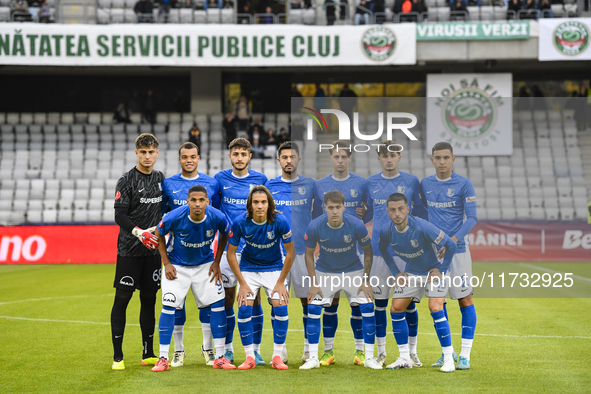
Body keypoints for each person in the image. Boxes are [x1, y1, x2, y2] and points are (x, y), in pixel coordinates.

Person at [151, 186, 236, 372]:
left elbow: (225, 234)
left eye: (201, 200)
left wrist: (217, 260)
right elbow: (158, 234)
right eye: (194, 200)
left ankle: (219, 356)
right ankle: (164, 357)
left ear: (208, 201)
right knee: (169, 307)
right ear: (187, 201)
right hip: (177, 267)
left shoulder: (217, 216)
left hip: (205, 266)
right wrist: (166, 263)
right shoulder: (173, 216)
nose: (197, 204)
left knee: (218, 306)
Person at [301, 190, 381, 370]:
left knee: (367, 307)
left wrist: (365, 280)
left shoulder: (356, 224)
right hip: (325, 271)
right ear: (324, 208)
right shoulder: (315, 226)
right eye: (330, 208)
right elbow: (308, 254)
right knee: (313, 307)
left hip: (353, 271)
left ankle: (368, 357)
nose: (334, 211)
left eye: (338, 207)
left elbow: (368, 251)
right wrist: (314, 283)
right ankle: (313, 357)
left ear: (344, 207)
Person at [378, 193, 458, 372]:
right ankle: (404, 357)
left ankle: (448, 359)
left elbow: (451, 246)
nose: (397, 213)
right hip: (412, 272)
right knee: (396, 308)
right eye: (393, 210)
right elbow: (383, 249)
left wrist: (441, 270)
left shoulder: (422, 226)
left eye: (400, 209)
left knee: (436, 308)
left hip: (433, 271)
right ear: (388, 212)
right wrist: (396, 272)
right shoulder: (386, 230)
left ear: (408, 209)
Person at [366, 140, 427, 367]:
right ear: (379, 157)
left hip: (407, 253)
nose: (389, 159)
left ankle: (411, 352)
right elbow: (367, 213)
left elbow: (420, 212)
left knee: (407, 304)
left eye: (393, 155)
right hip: (380, 253)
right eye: (384, 155)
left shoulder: (412, 181)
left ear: (399, 157)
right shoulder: (370, 182)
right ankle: (381, 353)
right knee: (379, 304)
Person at [161, 142, 221, 367]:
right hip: (178, 256)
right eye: (184, 156)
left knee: (207, 306)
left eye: (193, 156)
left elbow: (216, 215)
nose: (189, 160)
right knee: (176, 306)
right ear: (179, 159)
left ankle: (208, 349)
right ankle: (178, 351)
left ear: (199, 158)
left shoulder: (211, 183)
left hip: (204, 256)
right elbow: (163, 218)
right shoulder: (168, 184)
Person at [312, 140, 372, 366]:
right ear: (330, 158)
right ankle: (328, 352)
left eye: (343, 157)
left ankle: (361, 352)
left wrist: (363, 215)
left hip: (355, 254)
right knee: (331, 303)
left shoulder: (362, 183)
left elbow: (367, 214)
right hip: (329, 256)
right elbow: (316, 217)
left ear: (349, 158)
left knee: (357, 303)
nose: (340, 160)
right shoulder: (320, 185)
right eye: (336, 156)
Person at [421, 142, 478, 370]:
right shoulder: (425, 184)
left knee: (465, 299)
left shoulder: (464, 184)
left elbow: (472, 218)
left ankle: (465, 355)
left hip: (459, 251)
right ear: (432, 160)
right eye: (438, 157)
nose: (442, 161)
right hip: (433, 254)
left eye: (446, 157)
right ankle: (448, 352)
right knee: (437, 303)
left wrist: (451, 241)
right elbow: (418, 212)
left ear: (453, 159)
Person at [110, 133, 164, 371]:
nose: (147, 156)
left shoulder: (161, 179)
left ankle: (148, 353)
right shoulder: (126, 180)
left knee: (149, 301)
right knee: (122, 299)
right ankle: (118, 356)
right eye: (143, 152)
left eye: (151, 152)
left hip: (152, 254)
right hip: (129, 251)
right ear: (136, 153)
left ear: (157, 153)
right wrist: (139, 232)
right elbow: (119, 215)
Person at [214, 138, 268, 365]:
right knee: (228, 297)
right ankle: (227, 350)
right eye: (235, 153)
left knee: (254, 300)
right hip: (228, 250)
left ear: (249, 156)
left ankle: (255, 350)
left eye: (243, 154)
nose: (239, 158)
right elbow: (215, 212)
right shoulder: (219, 180)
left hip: (253, 250)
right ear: (230, 156)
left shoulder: (260, 180)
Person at [227, 186, 293, 370]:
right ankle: (250, 357)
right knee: (244, 309)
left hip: (274, 269)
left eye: (263, 202)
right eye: (255, 202)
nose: (259, 206)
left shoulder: (280, 221)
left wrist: (280, 282)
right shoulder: (241, 222)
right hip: (249, 268)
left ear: (269, 204)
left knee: (280, 307)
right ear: (250, 205)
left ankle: (277, 357)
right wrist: (242, 283)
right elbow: (231, 254)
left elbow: (290, 252)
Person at [265, 141, 316, 362]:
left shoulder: (310, 185)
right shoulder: (269, 186)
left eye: (292, 157)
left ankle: (307, 348)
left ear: (298, 159)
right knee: (277, 301)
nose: (288, 161)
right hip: (277, 254)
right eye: (284, 157)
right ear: (279, 161)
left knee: (307, 300)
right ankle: (280, 349)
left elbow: (322, 214)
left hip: (304, 253)